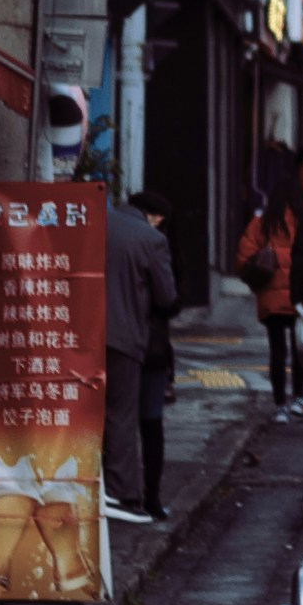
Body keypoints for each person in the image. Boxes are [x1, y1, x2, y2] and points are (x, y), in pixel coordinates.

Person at [104, 185, 182, 526]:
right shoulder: (150, 239)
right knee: (122, 416)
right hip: (125, 339)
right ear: (157, 219)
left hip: (79, 337)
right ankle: (121, 495)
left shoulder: (96, 222)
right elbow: (167, 298)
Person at [237, 181, 303, 400]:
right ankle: (300, 399)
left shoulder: (261, 224)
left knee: (277, 351)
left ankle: (280, 405)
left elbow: (243, 260)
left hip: (271, 299)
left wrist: (257, 282)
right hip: (300, 299)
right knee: (300, 351)